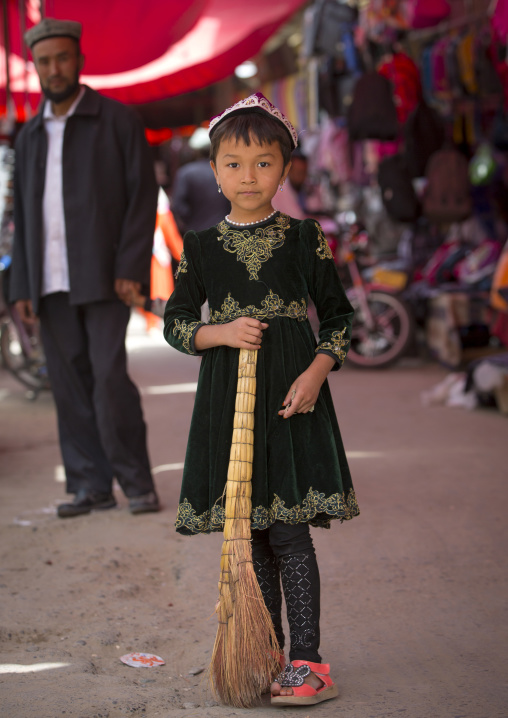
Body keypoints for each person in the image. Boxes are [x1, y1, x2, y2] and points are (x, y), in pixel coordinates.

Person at [162, 93, 359, 707]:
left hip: (291, 399)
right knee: (249, 538)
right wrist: (218, 332)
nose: (249, 177)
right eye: (234, 163)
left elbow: (339, 318)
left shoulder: (304, 238)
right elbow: (173, 323)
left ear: (286, 167)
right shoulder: (199, 248)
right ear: (214, 172)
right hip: (230, 403)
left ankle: (310, 663)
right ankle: (265, 652)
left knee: (291, 534)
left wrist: (317, 372)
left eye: (264, 163)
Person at [9, 18, 160, 518]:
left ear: (79, 61)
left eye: (62, 58)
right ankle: (89, 485)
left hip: (103, 275)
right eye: (45, 61)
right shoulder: (29, 135)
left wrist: (131, 266)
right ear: (36, 67)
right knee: (68, 385)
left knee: (109, 378)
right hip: (48, 282)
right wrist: (23, 285)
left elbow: (143, 197)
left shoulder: (117, 121)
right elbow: (26, 216)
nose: (54, 68)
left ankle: (137, 482)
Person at [170, 127, 230, 234]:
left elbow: (178, 206)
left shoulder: (185, 173)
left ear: (195, 150)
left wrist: (190, 220)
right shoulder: (226, 172)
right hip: (225, 232)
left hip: (197, 233)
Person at [271, 146, 309, 219]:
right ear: (289, 171)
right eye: (298, 172)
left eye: (304, 172)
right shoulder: (277, 193)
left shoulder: (312, 189)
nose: (301, 177)